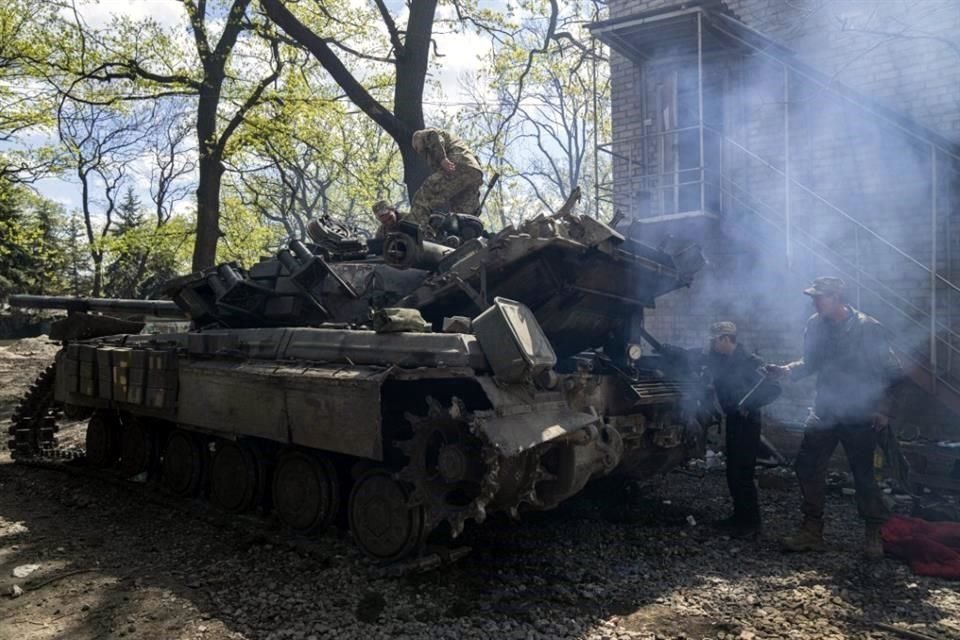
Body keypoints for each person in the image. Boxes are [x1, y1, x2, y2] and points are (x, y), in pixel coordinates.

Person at [766, 276, 901, 559]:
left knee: (863, 474)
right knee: (807, 466)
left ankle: (872, 533)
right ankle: (812, 530)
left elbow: (891, 372)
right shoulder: (815, 325)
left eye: (820, 297)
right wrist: (787, 370)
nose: (815, 302)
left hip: (859, 413)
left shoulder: (868, 328)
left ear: (837, 298)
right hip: (826, 409)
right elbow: (811, 362)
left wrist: (883, 410)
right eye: (813, 297)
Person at [701, 321, 781, 538]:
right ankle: (739, 517)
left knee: (743, 472)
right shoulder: (720, 360)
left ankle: (751, 524)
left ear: (726, 339)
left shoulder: (751, 362)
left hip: (747, 422)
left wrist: (749, 404)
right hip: (734, 421)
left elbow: (774, 388)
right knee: (733, 471)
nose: (712, 346)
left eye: (715, 341)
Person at [410, 128, 484, 226]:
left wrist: (442, 159)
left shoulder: (424, 135)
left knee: (424, 195)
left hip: (457, 165)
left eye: (416, 147)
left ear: (417, 139)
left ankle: (415, 227)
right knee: (461, 215)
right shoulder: (453, 143)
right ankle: (465, 236)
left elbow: (433, 135)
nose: (418, 151)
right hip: (474, 172)